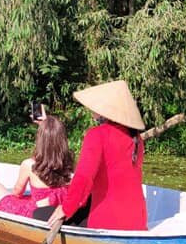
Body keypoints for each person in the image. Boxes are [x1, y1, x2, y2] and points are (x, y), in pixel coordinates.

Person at [47, 80, 147, 230]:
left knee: (39, 213)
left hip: (108, 221)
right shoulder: (136, 139)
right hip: (138, 221)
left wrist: (65, 208)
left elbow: (84, 178)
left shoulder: (97, 135)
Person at [0, 116, 74, 218]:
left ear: (39, 140)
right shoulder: (68, 162)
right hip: (56, 208)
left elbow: (17, 193)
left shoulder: (29, 164)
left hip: (35, 212)